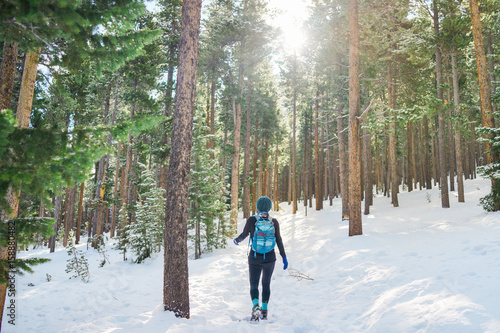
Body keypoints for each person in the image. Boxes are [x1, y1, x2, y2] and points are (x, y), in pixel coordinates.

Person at [233, 196, 288, 321]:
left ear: (258, 207)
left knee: (254, 283)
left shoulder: (252, 220)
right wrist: (283, 256)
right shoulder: (274, 222)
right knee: (266, 283)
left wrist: (237, 240)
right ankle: (264, 310)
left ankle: (255, 307)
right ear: (269, 208)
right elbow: (278, 240)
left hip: (254, 257)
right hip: (270, 257)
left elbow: (244, 235)